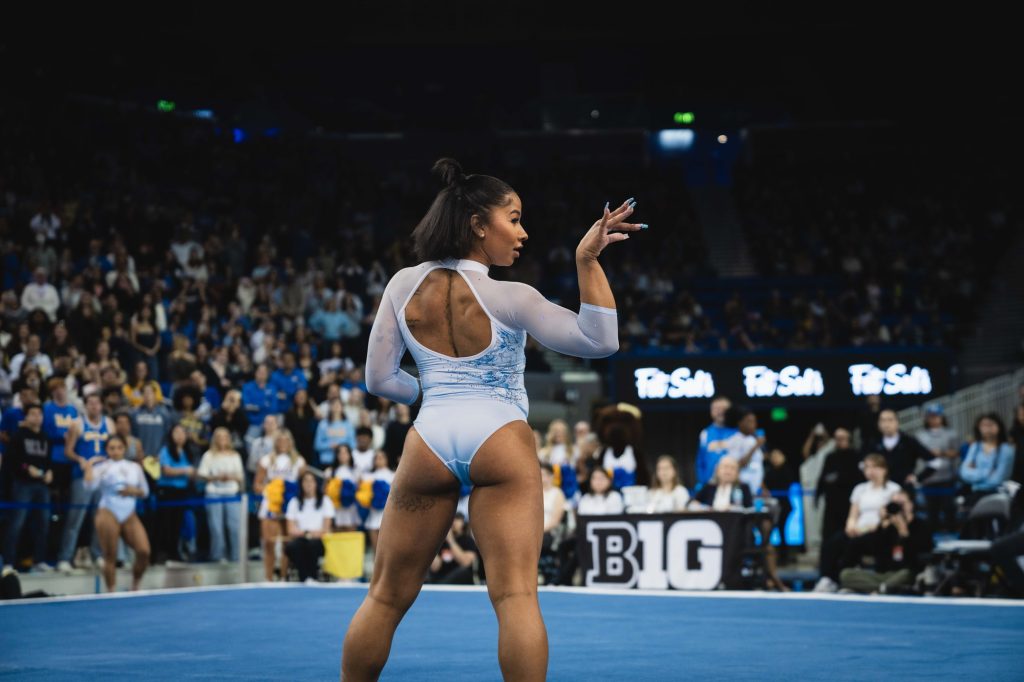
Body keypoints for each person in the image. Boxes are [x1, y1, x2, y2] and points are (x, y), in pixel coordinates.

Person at [342, 159, 631, 680]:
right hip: (500, 436)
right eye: (514, 218)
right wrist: (587, 260)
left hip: (429, 438)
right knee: (516, 595)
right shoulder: (510, 296)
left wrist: (426, 391)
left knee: (384, 597)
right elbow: (600, 341)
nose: (523, 233)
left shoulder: (401, 286)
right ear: (478, 224)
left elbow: (379, 380)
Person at [815, 454, 901, 592]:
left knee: (854, 544)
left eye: (874, 467)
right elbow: (853, 514)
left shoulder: (893, 489)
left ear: (884, 469)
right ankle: (828, 579)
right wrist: (851, 526)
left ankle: (847, 581)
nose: (870, 471)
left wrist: (868, 528)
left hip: (878, 531)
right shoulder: (860, 488)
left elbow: (891, 516)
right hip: (858, 529)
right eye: (867, 467)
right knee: (832, 543)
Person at [82, 434, 151, 591]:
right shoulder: (102, 467)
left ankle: (135, 585)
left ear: (125, 449)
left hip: (129, 513)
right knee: (110, 555)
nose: (116, 451)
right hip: (108, 511)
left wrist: (133, 490)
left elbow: (145, 491)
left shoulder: (135, 467)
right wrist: (88, 467)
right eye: (111, 448)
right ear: (106, 450)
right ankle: (111, 591)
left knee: (144, 551)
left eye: (119, 448)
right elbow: (89, 487)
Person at [838, 487, 933, 594]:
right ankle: (882, 589)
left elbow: (919, 555)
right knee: (845, 574)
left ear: (911, 504)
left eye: (901, 504)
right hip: (882, 575)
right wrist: (881, 527)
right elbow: (867, 547)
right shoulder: (887, 527)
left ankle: (878, 589)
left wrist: (904, 533)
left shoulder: (921, 526)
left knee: (907, 574)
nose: (898, 508)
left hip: (904, 573)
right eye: (894, 504)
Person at [57, 392, 113, 573]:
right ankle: (65, 557)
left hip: (102, 477)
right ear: (85, 406)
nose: (94, 406)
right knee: (75, 519)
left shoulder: (109, 424)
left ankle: (97, 555)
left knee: (100, 519)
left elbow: (114, 448)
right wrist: (81, 460)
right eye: (90, 403)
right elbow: (68, 451)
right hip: (83, 477)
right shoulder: (77, 424)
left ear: (101, 406)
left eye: (97, 403)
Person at [3, 404, 53, 571]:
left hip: (42, 485)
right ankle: (9, 562)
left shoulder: (45, 437)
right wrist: (26, 469)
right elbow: (11, 461)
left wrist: (50, 472)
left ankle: (39, 560)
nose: (37, 417)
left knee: (43, 524)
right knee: (16, 524)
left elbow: (48, 460)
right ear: (26, 417)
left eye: (39, 414)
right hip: (22, 484)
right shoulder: (19, 436)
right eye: (32, 414)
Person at [254, 430, 305, 581]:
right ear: (275, 442)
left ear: (291, 442)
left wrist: (288, 495)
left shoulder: (299, 461)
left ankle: (283, 577)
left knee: (287, 544)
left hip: (290, 506)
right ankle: (268, 578)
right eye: (280, 440)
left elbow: (302, 484)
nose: (283, 443)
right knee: (269, 542)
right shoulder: (266, 460)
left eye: (286, 440)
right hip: (271, 506)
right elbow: (257, 485)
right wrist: (273, 492)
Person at [197, 427, 245, 563]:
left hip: (231, 493)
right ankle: (218, 556)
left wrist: (230, 477)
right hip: (214, 493)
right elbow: (201, 474)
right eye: (219, 436)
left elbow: (241, 476)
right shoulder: (208, 455)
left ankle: (237, 556)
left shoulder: (235, 455)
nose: (222, 439)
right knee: (216, 527)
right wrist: (216, 477)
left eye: (225, 436)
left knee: (235, 526)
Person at [284, 470, 334, 582]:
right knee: (293, 546)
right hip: (301, 538)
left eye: (311, 481)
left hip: (319, 539)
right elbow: (290, 530)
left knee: (312, 545)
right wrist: (306, 534)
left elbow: (326, 529)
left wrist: (310, 534)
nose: (308, 484)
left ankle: (313, 576)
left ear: (316, 484)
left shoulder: (325, 501)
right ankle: (304, 578)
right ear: (301, 484)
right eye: (305, 481)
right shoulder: (294, 502)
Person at [815, 427, 863, 540]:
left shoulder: (856, 456)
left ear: (849, 439)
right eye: (836, 439)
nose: (839, 441)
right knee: (829, 534)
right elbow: (823, 477)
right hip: (832, 503)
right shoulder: (830, 457)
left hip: (850, 502)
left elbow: (858, 479)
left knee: (849, 532)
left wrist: (838, 478)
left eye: (842, 438)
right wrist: (817, 495)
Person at [156, 424, 194, 563]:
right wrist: (184, 471)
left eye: (182, 432)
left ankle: (174, 552)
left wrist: (189, 472)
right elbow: (166, 470)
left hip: (182, 491)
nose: (179, 435)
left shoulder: (187, 451)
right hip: (167, 491)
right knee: (166, 523)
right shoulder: (166, 450)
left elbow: (191, 472)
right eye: (176, 432)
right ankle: (162, 553)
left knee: (178, 524)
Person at [958, 413, 1016, 502]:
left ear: (999, 426)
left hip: (998, 494)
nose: (987, 429)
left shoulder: (1006, 449)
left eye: (990, 425)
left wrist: (975, 472)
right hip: (976, 494)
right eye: (983, 425)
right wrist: (988, 472)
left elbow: (998, 479)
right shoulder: (975, 447)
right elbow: (964, 472)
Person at [870, 409, 930, 486]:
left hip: (903, 490)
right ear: (878, 423)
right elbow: (863, 463)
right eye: (883, 420)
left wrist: (917, 478)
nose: (886, 424)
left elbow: (934, 462)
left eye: (890, 420)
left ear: (897, 422)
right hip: (881, 489)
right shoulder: (874, 443)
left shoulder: (908, 441)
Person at [719, 405, 766, 495]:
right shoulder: (735, 440)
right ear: (740, 423)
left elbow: (757, 467)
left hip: (755, 488)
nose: (753, 425)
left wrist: (763, 487)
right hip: (740, 489)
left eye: (754, 421)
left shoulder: (752, 439)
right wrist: (755, 447)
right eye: (749, 421)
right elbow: (737, 465)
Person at [428, 512, 478, 585]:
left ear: (463, 523)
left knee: (463, 572)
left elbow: (466, 563)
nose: (453, 521)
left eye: (457, 518)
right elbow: (435, 567)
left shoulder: (468, 540)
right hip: (439, 579)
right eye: (451, 518)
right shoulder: (439, 541)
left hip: (460, 581)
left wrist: (450, 540)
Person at [695, 395, 734, 487]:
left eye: (723, 409)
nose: (720, 412)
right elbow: (700, 461)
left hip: (734, 485)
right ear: (711, 412)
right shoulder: (705, 434)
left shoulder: (739, 433)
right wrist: (703, 481)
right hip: (711, 484)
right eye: (716, 409)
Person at [363, 450, 395, 550]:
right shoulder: (368, 477)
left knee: (387, 550)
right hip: (373, 515)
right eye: (377, 458)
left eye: (382, 457)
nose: (379, 460)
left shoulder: (393, 475)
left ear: (386, 459)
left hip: (388, 517)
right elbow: (364, 496)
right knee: (375, 550)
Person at [314, 398, 356, 468]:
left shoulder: (348, 425)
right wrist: (330, 445)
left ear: (342, 408)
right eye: (334, 405)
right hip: (326, 461)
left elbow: (353, 444)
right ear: (330, 407)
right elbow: (317, 445)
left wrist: (341, 446)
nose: (336, 407)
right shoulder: (323, 424)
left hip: (343, 462)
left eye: (339, 405)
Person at [330, 444, 361, 530]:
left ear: (350, 454)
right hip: (336, 508)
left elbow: (359, 488)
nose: (343, 455)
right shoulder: (331, 471)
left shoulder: (356, 470)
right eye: (340, 453)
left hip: (351, 507)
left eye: (345, 452)